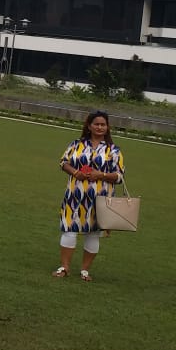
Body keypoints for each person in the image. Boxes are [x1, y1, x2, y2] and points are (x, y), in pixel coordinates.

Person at [53, 110, 124, 282]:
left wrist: (101, 175)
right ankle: (64, 267)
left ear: (107, 127)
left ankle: (84, 270)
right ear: (89, 126)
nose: (100, 127)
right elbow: (63, 162)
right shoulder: (76, 144)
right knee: (69, 229)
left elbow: (119, 176)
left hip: (100, 198)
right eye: (96, 124)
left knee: (93, 233)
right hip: (75, 196)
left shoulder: (113, 150)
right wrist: (75, 172)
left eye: (103, 124)